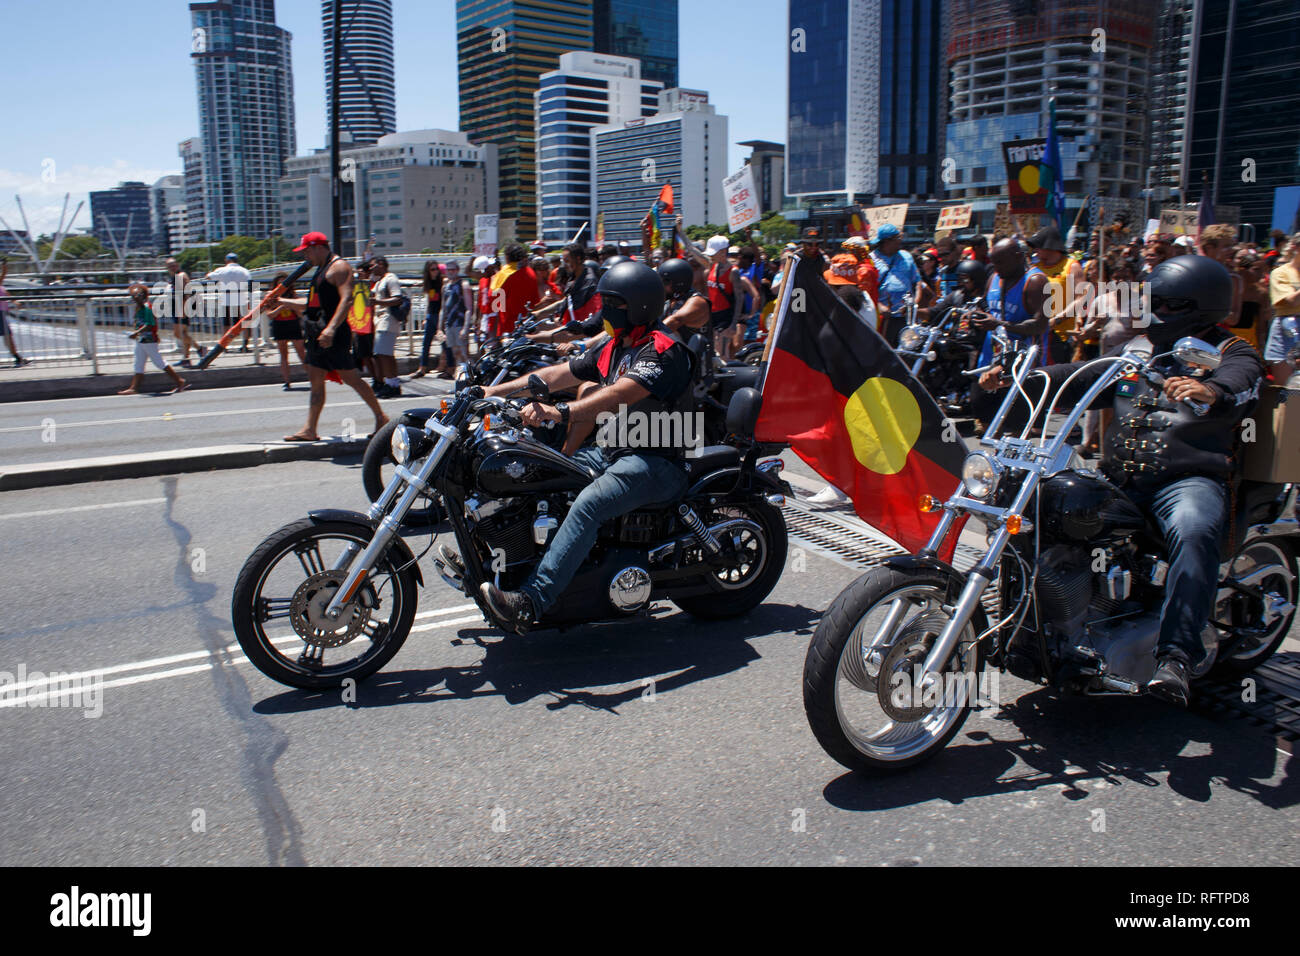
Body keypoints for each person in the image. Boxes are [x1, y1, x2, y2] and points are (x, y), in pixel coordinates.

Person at [979, 256, 1264, 706]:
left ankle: (1176, 657)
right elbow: (1080, 378)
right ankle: (1042, 622)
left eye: (1167, 305)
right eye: (1154, 303)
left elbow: (1243, 383)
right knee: (1045, 506)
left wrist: (1212, 390)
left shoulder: (1231, 352)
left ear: (1198, 306)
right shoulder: (1139, 350)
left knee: (1194, 532)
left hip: (1186, 480)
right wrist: (1022, 379)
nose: (1156, 313)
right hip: (1120, 478)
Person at [476, 261, 695, 633]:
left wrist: (560, 411)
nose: (604, 311)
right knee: (541, 471)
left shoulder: (662, 350)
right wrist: (493, 392)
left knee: (590, 503)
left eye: (614, 304)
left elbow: (620, 394)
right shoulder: (615, 345)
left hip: (656, 460)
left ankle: (531, 602)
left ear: (640, 306)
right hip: (614, 451)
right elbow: (556, 374)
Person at [264, 232, 388, 442]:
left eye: (306, 251)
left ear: (318, 247)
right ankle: (310, 428)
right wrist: (283, 302)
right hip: (316, 333)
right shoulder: (321, 269)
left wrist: (330, 329)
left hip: (334, 333)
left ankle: (381, 417)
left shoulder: (338, 267)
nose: (305, 256)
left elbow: (347, 299)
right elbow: (312, 304)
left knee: (352, 378)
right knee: (316, 380)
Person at [1029, 225, 1086, 363]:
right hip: (1038, 336)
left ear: (1050, 246)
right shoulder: (1034, 269)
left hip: (1061, 337)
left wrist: (1057, 319)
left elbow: (1082, 298)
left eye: (1038, 246)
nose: (1035, 250)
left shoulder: (1072, 266)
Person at [118, 282, 187, 395]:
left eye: (138, 295)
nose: (135, 297)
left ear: (143, 295)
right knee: (138, 363)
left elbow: (149, 324)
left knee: (159, 362)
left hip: (148, 340)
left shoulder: (147, 307)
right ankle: (134, 388)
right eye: (133, 295)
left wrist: (136, 333)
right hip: (141, 340)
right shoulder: (140, 307)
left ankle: (180, 381)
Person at [704, 235, 759, 361]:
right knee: (715, 354)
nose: (711, 256)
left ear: (723, 252)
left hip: (726, 317)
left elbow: (742, 298)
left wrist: (737, 322)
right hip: (713, 316)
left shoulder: (734, 272)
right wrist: (680, 232)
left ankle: (729, 378)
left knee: (725, 354)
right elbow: (692, 250)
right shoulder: (712, 266)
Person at [870, 223, 924, 343]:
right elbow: (866, 290)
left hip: (907, 318)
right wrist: (880, 306)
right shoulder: (871, 260)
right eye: (898, 238)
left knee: (909, 350)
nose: (901, 240)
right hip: (884, 318)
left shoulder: (907, 256)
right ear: (887, 241)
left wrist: (913, 304)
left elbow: (918, 283)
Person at [1264, 232, 1300, 381]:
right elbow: (1292, 300)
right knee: (1287, 387)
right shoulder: (1281, 273)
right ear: (1295, 247)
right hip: (1288, 331)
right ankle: (1292, 405)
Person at [369, 257, 405, 398]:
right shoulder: (379, 282)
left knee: (383, 354)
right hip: (381, 320)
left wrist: (377, 301)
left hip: (388, 319)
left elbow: (398, 298)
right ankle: (393, 383)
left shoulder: (391, 279)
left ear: (381, 264)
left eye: (372, 266)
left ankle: (391, 384)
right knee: (384, 354)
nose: (370, 269)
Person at [206, 252, 254, 351]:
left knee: (226, 324)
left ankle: (224, 346)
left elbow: (209, 277)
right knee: (244, 323)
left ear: (226, 261)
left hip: (226, 300)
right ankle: (245, 345)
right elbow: (250, 282)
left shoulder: (222, 270)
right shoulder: (244, 270)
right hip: (242, 299)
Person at [266, 272, 306, 390]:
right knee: (284, 354)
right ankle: (287, 381)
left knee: (301, 353)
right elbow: (270, 315)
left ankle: (313, 377)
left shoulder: (293, 295)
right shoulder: (271, 296)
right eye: (280, 283)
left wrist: (292, 305)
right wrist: (281, 307)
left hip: (293, 324)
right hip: (279, 325)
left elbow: (300, 314)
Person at [164, 258, 205, 367]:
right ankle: (186, 358)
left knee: (178, 334)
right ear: (167, 268)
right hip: (178, 308)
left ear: (177, 265)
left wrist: (183, 310)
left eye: (174, 265)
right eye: (170, 266)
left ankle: (200, 348)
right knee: (184, 334)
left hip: (181, 309)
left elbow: (186, 293)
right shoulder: (174, 278)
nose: (172, 267)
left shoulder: (180, 276)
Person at [439, 257, 473, 369]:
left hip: (460, 323)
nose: (451, 272)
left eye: (453, 269)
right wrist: (439, 328)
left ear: (457, 270)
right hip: (449, 324)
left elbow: (468, 308)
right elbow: (443, 308)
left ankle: (470, 374)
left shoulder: (463, 285)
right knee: (455, 353)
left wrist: (465, 327)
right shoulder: (445, 287)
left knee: (463, 352)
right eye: (448, 270)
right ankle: (461, 374)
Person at [413, 259, 444, 378]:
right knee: (426, 343)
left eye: (437, 269)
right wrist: (426, 317)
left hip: (439, 315)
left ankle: (446, 367)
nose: (435, 271)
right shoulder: (429, 283)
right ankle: (422, 368)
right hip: (431, 315)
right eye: (432, 269)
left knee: (443, 342)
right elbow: (430, 301)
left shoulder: (441, 283)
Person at [0, 259, 29, 367]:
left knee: (8, 337)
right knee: (8, 336)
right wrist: (4, 267)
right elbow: (3, 275)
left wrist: (15, 302)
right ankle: (18, 358)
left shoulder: (1, 287)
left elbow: (7, 295)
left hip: (2, 313)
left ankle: (18, 357)